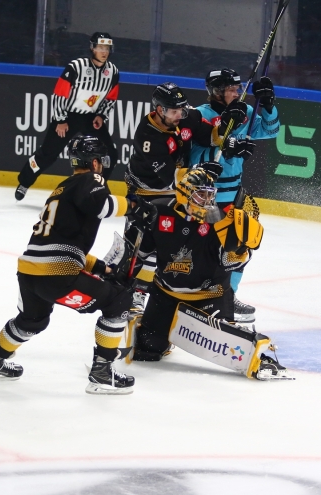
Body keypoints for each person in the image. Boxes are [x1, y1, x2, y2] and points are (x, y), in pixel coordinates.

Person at [0, 134, 157, 395]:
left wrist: (102, 268)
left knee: (32, 320)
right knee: (119, 300)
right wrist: (133, 206)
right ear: (94, 162)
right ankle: (102, 374)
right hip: (56, 274)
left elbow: (62, 246)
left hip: (29, 272)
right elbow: (100, 205)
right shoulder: (91, 179)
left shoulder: (62, 188)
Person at [127, 167, 287, 378]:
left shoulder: (220, 220)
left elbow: (230, 264)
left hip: (209, 295)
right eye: (201, 194)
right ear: (184, 194)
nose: (207, 201)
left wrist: (240, 249)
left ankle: (256, 353)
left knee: (230, 346)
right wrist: (123, 282)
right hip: (166, 294)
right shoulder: (159, 212)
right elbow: (138, 254)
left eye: (210, 195)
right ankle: (165, 332)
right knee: (148, 349)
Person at [123, 82, 249, 310]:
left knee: (175, 244)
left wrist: (228, 129)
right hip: (145, 193)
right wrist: (199, 170)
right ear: (159, 110)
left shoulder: (185, 116)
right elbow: (168, 177)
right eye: (174, 111)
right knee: (139, 245)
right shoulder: (148, 135)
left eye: (182, 109)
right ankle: (132, 294)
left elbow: (211, 137)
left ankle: (187, 292)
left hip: (176, 191)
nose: (180, 115)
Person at [190, 68, 281, 323]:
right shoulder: (200, 116)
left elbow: (270, 130)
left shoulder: (245, 112)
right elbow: (191, 157)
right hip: (207, 195)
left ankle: (228, 295)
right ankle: (198, 296)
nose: (237, 92)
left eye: (237, 88)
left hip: (234, 193)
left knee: (239, 246)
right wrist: (226, 149)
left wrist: (268, 105)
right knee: (206, 250)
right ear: (216, 91)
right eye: (231, 89)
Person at [14, 32, 120, 201]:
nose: (104, 51)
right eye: (100, 47)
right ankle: (24, 182)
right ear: (92, 48)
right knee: (47, 154)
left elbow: (111, 97)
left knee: (110, 154)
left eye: (107, 48)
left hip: (91, 118)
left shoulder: (112, 72)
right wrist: (61, 120)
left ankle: (98, 189)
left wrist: (101, 115)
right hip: (68, 117)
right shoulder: (76, 67)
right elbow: (59, 94)